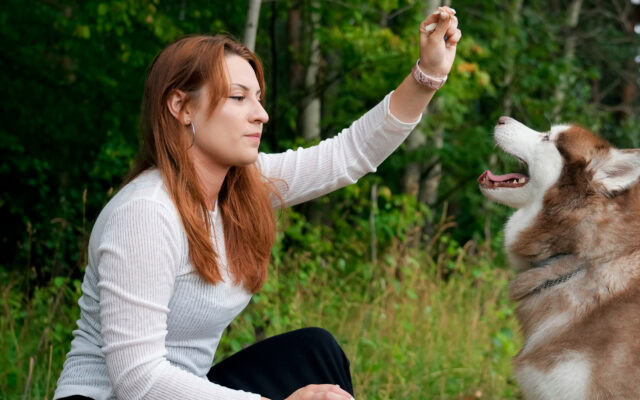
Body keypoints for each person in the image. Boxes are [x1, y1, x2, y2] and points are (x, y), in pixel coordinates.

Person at [53, 6, 461, 400]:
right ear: (180, 106)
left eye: (259, 98)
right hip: (112, 396)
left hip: (183, 387)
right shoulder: (145, 212)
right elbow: (138, 380)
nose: (261, 114)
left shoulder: (242, 188)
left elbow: (349, 155)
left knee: (313, 352)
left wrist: (428, 75)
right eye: (238, 97)